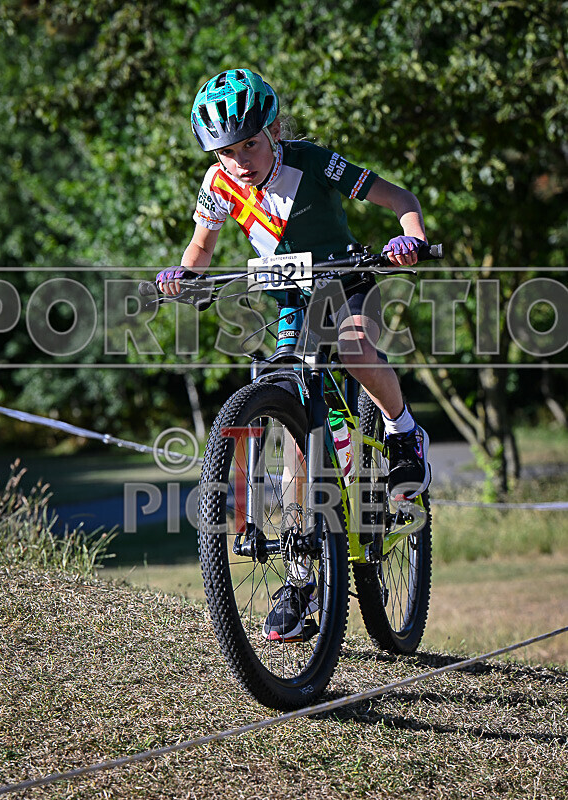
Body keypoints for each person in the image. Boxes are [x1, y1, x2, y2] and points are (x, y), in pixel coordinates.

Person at [156, 68, 431, 641]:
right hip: (290, 305)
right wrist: (183, 275)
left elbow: (399, 199)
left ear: (274, 130)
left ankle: (403, 430)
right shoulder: (219, 183)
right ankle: (303, 575)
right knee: (295, 428)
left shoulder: (311, 162)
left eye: (250, 144)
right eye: (225, 151)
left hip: (348, 282)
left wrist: (409, 236)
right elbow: (201, 248)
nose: (240, 161)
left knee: (354, 347)